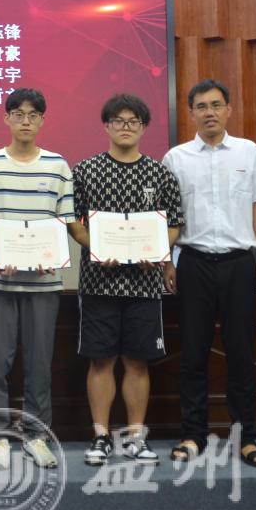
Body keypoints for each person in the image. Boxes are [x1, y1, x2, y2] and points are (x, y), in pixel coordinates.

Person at [162, 78, 256, 468]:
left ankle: (246, 438)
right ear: (191, 113)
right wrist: (167, 261)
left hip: (239, 264)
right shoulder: (176, 158)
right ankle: (192, 435)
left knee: (241, 354)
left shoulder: (249, 152)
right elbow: (166, 217)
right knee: (192, 354)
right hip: (193, 264)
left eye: (216, 105)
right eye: (201, 106)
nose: (209, 112)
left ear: (229, 110)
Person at [68, 94, 183, 466]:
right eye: (118, 120)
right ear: (106, 126)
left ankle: (135, 437)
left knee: (137, 362)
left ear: (144, 127)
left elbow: (175, 223)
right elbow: (71, 221)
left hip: (144, 285)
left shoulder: (159, 174)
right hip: (98, 282)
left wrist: (159, 251)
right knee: (101, 361)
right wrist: (97, 245)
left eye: (134, 121)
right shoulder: (85, 171)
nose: (126, 127)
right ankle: (101, 436)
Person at [0, 87, 73, 470]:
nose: (25, 121)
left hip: (44, 283)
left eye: (33, 115)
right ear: (7, 118)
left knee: (39, 364)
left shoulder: (58, 166)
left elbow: (64, 220)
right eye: (18, 114)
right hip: (0, 281)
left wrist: (51, 254)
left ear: (42, 120)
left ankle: (36, 435)